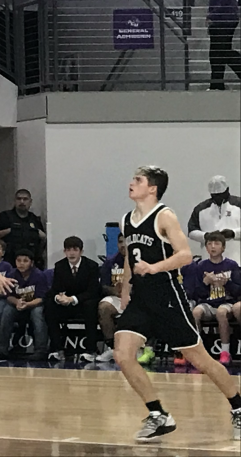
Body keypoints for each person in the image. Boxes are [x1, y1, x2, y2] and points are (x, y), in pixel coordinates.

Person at [112, 166, 241, 442]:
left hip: (167, 296)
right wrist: (125, 289)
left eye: (138, 180)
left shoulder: (164, 216)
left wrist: (154, 267)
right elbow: (129, 260)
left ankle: (239, 407)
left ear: (152, 188)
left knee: (201, 361)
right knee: (122, 355)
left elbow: (184, 255)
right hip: (141, 299)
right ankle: (158, 415)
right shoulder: (126, 219)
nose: (131, 183)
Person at [44, 236, 100, 363]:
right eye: (68, 250)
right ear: (64, 252)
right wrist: (58, 297)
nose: (71, 253)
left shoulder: (92, 266)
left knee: (90, 306)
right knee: (49, 306)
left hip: (83, 302)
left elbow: (93, 291)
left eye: (75, 249)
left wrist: (73, 299)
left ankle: (90, 350)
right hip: (66, 304)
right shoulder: (60, 266)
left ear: (81, 251)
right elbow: (56, 288)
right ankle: (57, 349)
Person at [190, 232, 240, 365]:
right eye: (209, 244)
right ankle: (198, 350)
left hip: (226, 302)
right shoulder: (201, 266)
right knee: (195, 313)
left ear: (223, 248)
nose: (213, 247)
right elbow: (197, 293)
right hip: (208, 303)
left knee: (221, 312)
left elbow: (238, 291)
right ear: (206, 247)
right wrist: (205, 282)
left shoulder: (232, 265)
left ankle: (225, 351)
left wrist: (227, 283)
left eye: (216, 244)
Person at [0, 249, 49, 361]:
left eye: (25, 261)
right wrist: (17, 302)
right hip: (17, 304)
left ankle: (41, 350)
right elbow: (8, 295)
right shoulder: (12, 274)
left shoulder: (39, 275)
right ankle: (1, 350)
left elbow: (41, 298)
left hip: (34, 304)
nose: (21, 263)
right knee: (7, 311)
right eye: (19, 260)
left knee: (38, 313)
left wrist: (27, 304)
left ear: (31, 263)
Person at [206, 0, 241, 90]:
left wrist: (213, 14)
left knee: (222, 52)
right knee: (216, 53)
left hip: (225, 19)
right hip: (220, 19)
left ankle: (217, 83)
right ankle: (216, 83)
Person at [0, 189, 46, 267]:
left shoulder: (34, 219)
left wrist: (41, 235)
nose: (22, 202)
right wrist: (7, 231)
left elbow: (43, 240)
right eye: (19, 199)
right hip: (9, 262)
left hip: (30, 263)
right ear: (14, 201)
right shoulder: (5, 217)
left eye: (25, 199)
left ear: (30, 202)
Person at [189, 176, 241, 263]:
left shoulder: (238, 204)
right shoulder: (200, 209)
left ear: (227, 190)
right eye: (215, 196)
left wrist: (233, 233)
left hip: (237, 260)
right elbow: (191, 231)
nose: (218, 198)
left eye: (221, 195)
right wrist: (206, 236)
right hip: (208, 263)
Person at [95, 233, 126, 362]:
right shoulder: (110, 262)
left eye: (126, 242)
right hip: (117, 297)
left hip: (137, 298)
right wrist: (114, 290)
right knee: (104, 308)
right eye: (120, 242)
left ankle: (143, 348)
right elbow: (103, 286)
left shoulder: (142, 260)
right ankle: (112, 348)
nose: (123, 245)